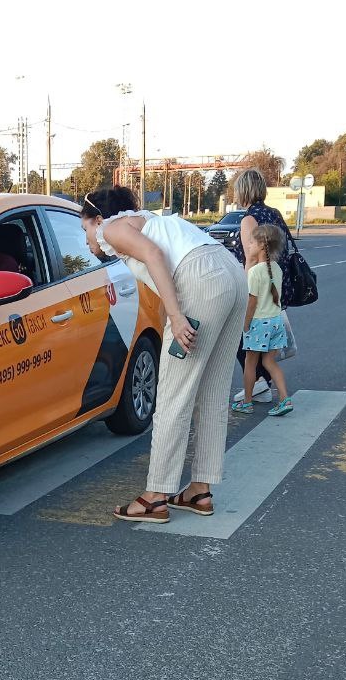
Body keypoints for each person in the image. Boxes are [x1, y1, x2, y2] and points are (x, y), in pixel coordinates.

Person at [81, 186, 248, 523]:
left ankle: (156, 497)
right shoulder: (150, 221)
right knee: (213, 391)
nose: (88, 240)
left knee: (174, 395)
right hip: (231, 275)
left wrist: (176, 315)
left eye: (84, 229)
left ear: (97, 218)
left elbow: (155, 257)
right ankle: (199, 490)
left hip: (201, 284)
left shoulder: (110, 228)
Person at [230, 168, 294, 404]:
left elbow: (252, 258)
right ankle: (264, 384)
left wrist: (245, 293)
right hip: (276, 285)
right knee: (264, 336)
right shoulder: (274, 214)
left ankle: (258, 383)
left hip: (258, 286)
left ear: (243, 191)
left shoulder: (249, 219)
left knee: (244, 335)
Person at [231, 224, 293, 416]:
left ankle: (247, 402)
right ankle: (284, 398)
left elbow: (252, 301)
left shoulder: (255, 272)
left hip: (258, 323)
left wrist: (246, 323)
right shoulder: (276, 268)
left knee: (251, 364)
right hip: (276, 322)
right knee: (270, 363)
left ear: (262, 246)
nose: (248, 246)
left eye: (251, 242)